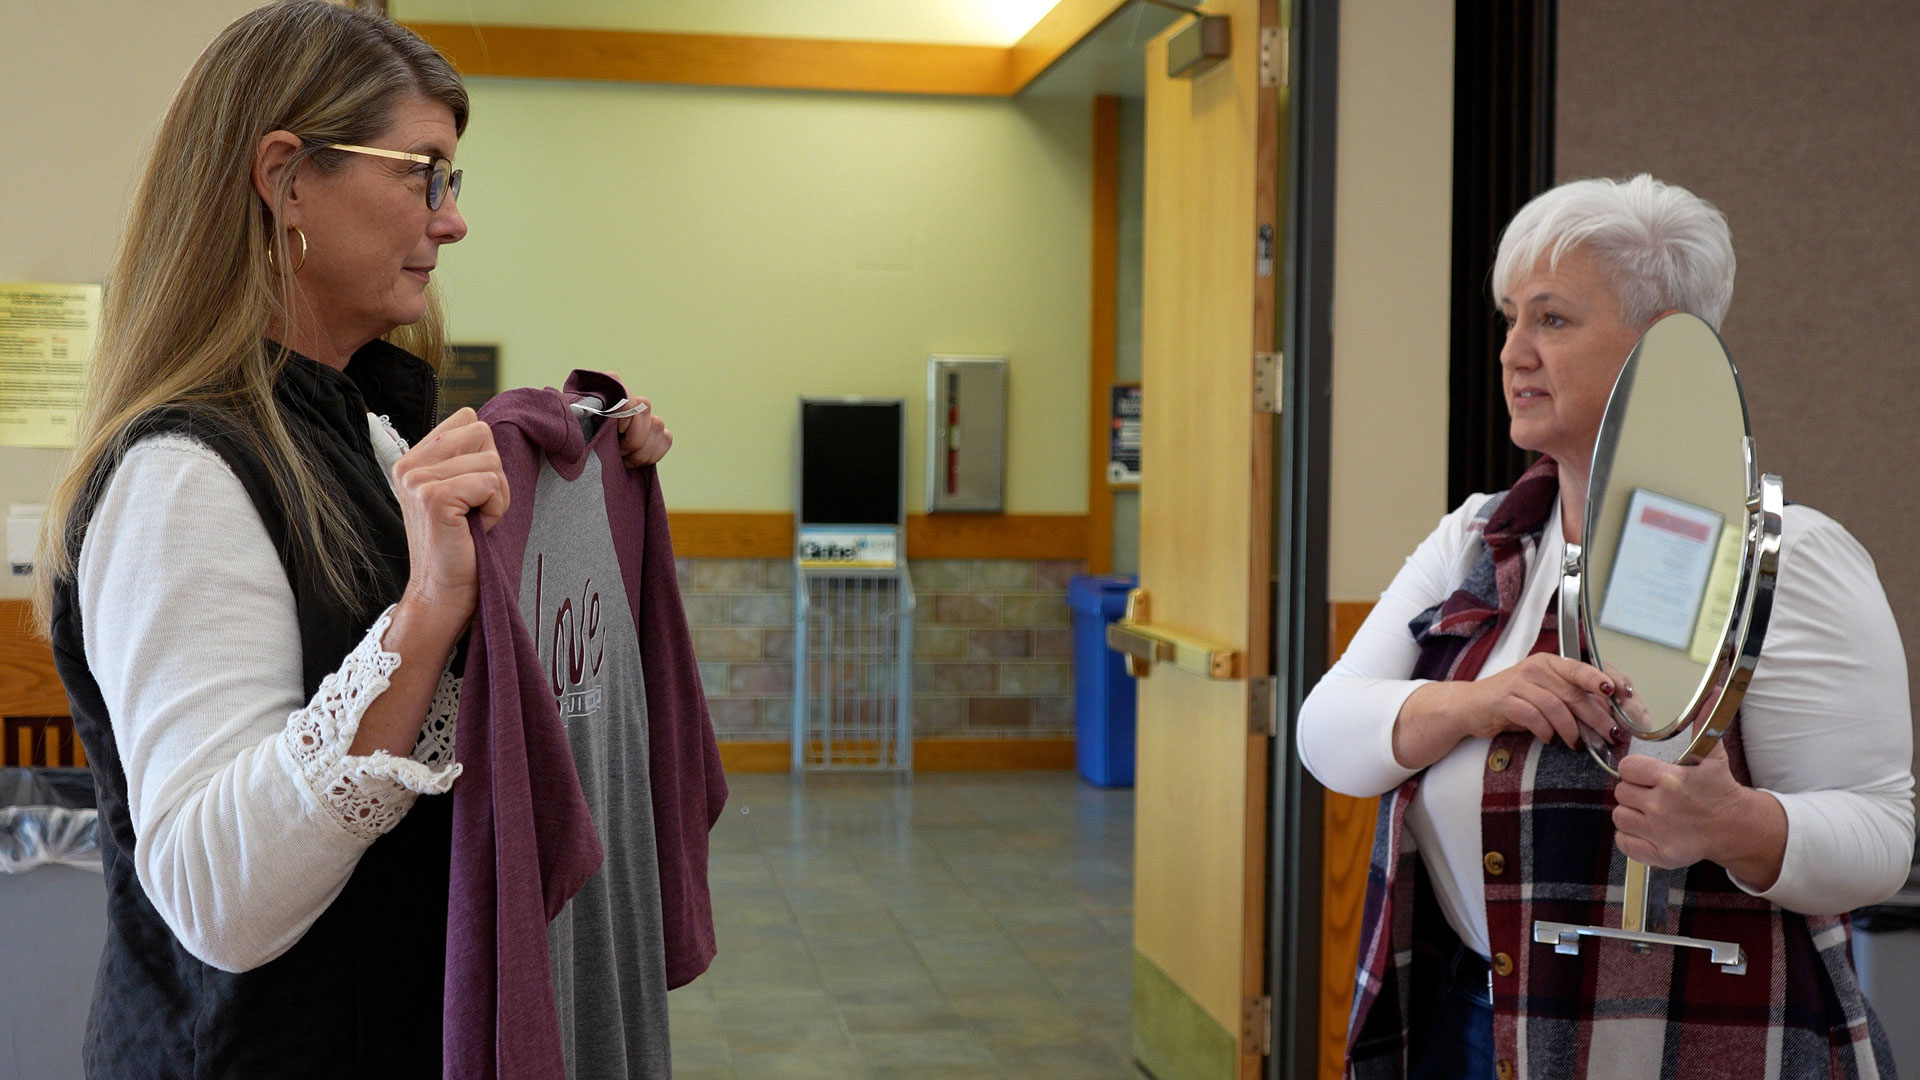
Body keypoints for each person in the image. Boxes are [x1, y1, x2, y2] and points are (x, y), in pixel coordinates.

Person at [31, 3, 672, 1075]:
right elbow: (216, 898)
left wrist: (592, 486)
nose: (451, 219)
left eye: (451, 180)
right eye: (424, 171)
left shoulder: (370, 429)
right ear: (287, 179)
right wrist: (425, 621)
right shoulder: (181, 477)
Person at [1299, 174, 1914, 1079]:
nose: (1512, 353)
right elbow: (1327, 734)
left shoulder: (1790, 559)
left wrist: (1738, 825)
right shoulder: (1478, 535)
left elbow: (1881, 841)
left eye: (1551, 320)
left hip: (1695, 1042)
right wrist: (1475, 704)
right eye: (1509, 319)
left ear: (1662, 345)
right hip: (1469, 1018)